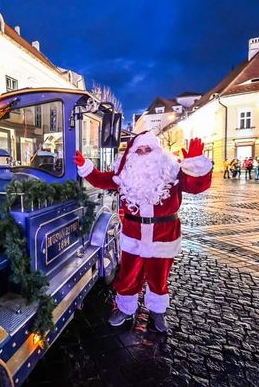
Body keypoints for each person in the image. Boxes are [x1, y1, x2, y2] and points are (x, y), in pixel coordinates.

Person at [74, 132, 212, 332]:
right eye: (140, 150)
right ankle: (125, 308)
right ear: (131, 154)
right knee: (129, 275)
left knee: (159, 277)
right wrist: (85, 166)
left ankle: (157, 311)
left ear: (158, 152)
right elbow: (101, 180)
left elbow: (196, 186)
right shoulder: (125, 175)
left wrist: (195, 164)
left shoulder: (172, 171)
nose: (144, 153)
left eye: (149, 149)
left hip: (164, 236)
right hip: (133, 235)